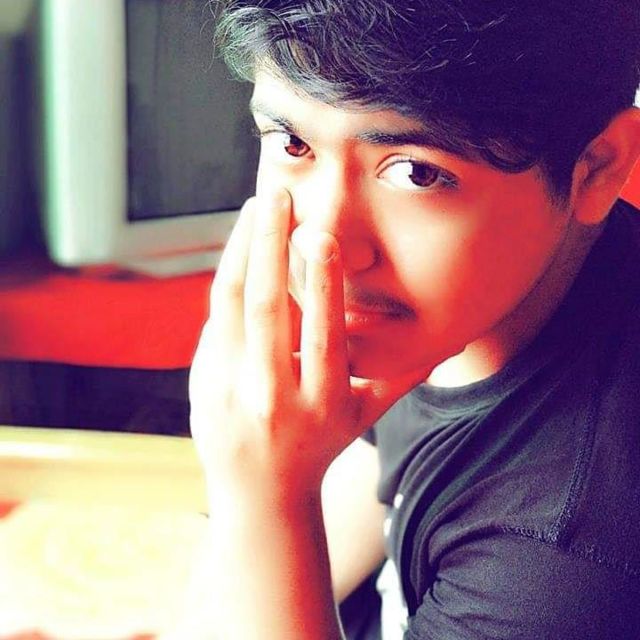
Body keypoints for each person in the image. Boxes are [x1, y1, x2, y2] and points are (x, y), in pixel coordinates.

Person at [183, 1, 640, 638]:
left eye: (418, 173)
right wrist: (262, 493)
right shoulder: (484, 303)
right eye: (293, 143)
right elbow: (378, 478)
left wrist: (262, 496)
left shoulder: (566, 564)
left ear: (597, 167)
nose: (325, 243)